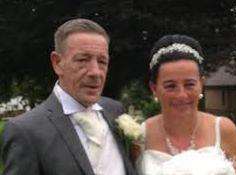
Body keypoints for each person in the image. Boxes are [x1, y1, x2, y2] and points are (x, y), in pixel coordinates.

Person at [1, 18, 136, 175]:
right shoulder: (25, 131)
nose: (95, 72)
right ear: (57, 63)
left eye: (102, 61)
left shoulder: (115, 111)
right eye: (83, 60)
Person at [136, 34, 236, 175]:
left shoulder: (224, 130)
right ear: (154, 88)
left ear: (201, 84)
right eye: (170, 86)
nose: (181, 95)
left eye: (189, 84)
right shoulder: (140, 137)